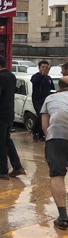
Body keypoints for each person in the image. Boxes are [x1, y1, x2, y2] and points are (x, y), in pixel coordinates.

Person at [0, 55, 26, 179]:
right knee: (7, 140)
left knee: (0, 142)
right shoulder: (11, 76)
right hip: (9, 114)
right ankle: (17, 166)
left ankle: (3, 171)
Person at [40, 76, 68, 230]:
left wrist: (49, 138)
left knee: (57, 175)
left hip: (57, 137)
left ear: (59, 87)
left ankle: (63, 218)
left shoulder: (50, 98)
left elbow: (45, 126)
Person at [31, 60, 55, 141]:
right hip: (37, 100)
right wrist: (42, 75)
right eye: (43, 67)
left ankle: (41, 134)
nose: (44, 69)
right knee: (41, 115)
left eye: (46, 67)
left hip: (47, 100)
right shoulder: (36, 76)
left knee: (45, 117)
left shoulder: (49, 78)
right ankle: (35, 131)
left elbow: (52, 89)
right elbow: (34, 82)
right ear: (39, 68)